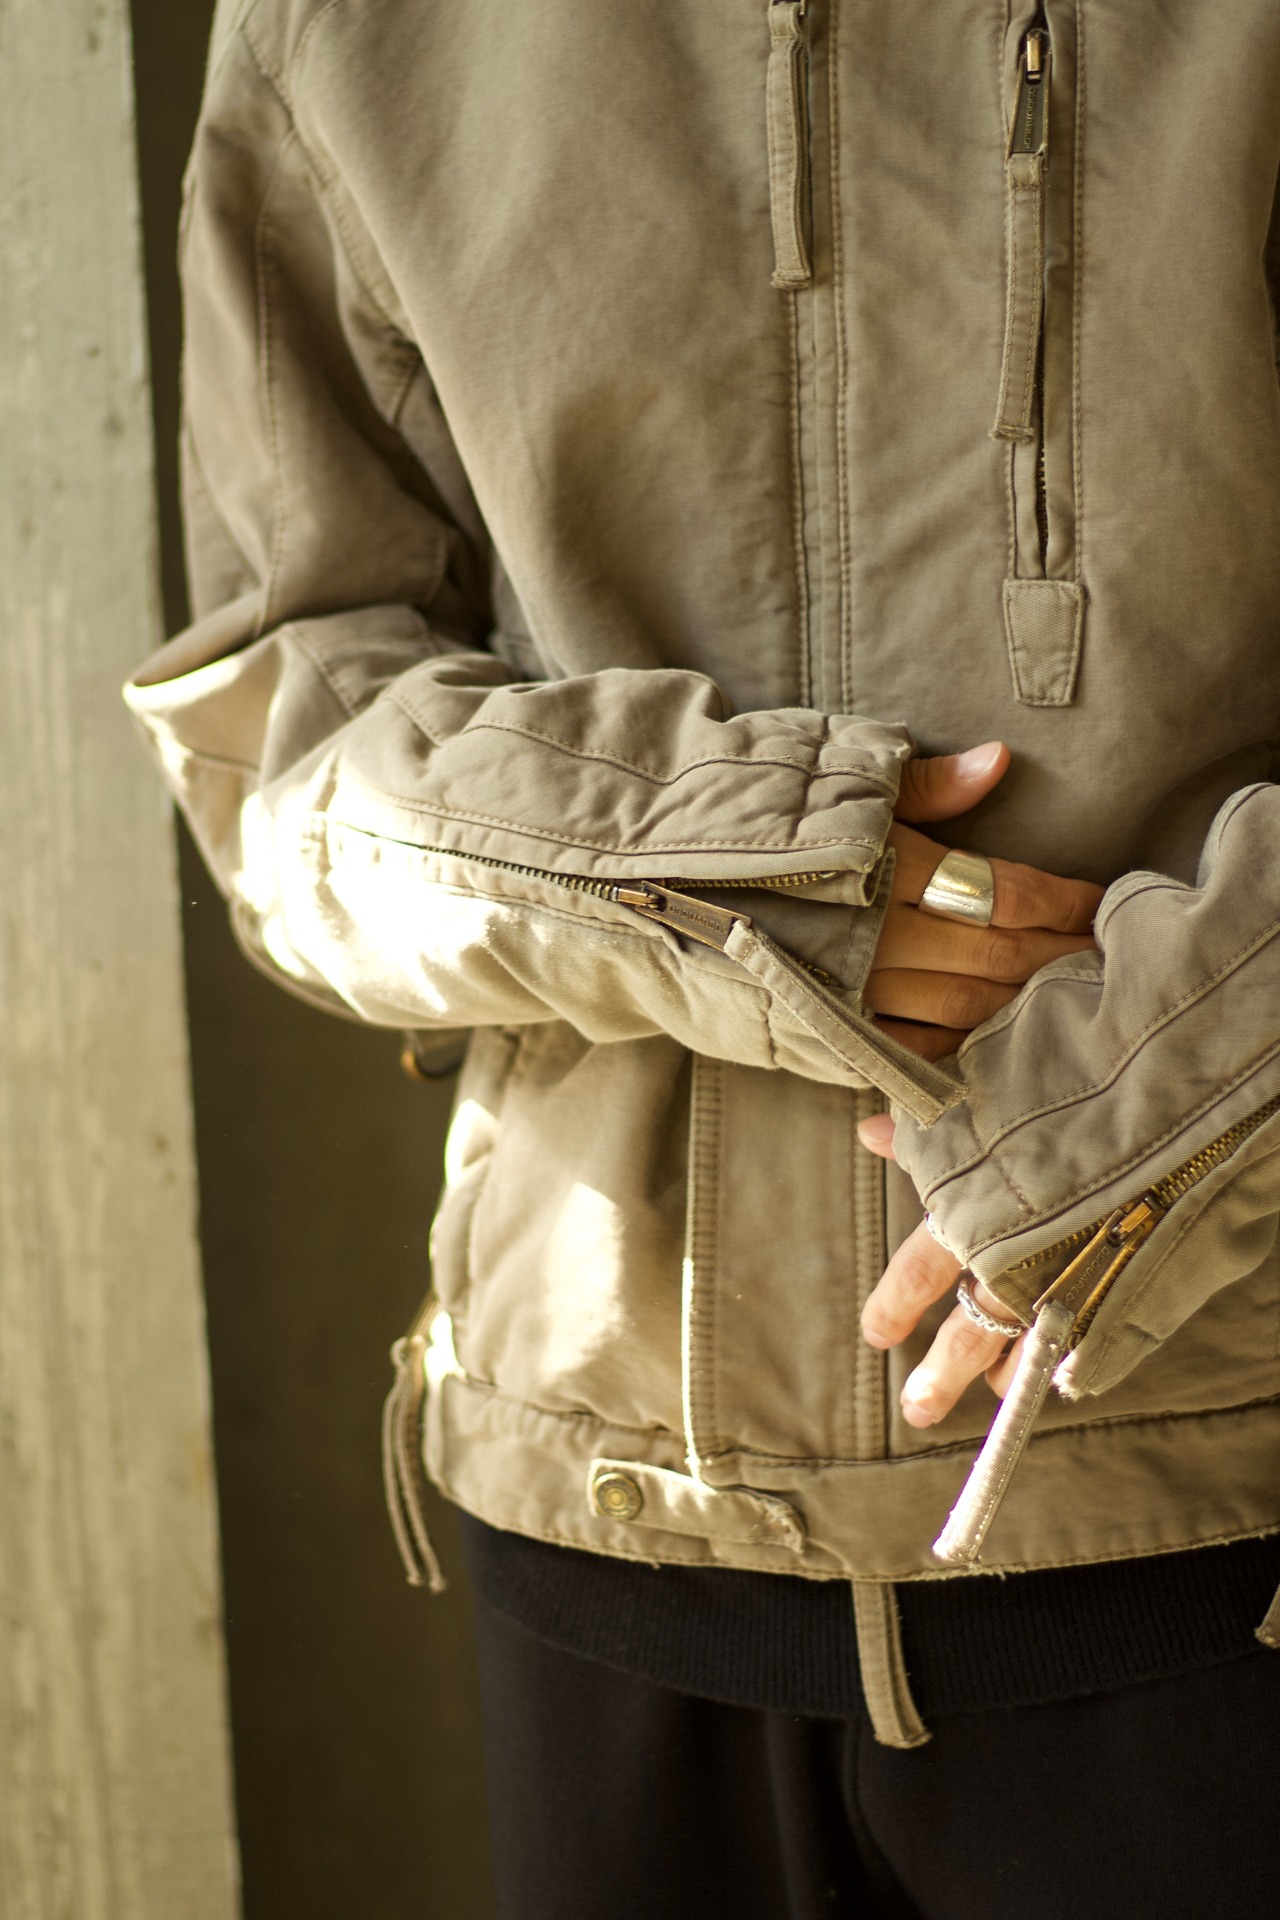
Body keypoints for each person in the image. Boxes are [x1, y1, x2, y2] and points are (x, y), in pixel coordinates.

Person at [126, 3, 1280, 1914]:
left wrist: (1174, 1105)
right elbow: (283, 734)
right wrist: (725, 871)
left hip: (1215, 1496)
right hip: (598, 1528)